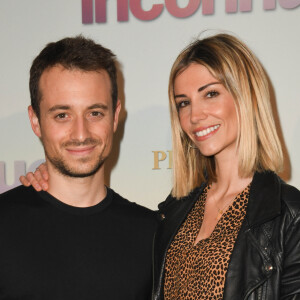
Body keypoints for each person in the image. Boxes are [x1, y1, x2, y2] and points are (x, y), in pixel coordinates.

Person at [21, 33, 300, 299]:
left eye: (211, 94)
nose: (195, 115)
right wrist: (54, 183)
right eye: (183, 103)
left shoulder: (287, 215)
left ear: (247, 96)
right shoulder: (175, 211)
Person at [0, 36, 158, 300]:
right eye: (62, 115)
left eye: (95, 113)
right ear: (35, 121)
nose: (81, 133)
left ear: (115, 116)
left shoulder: (153, 235)